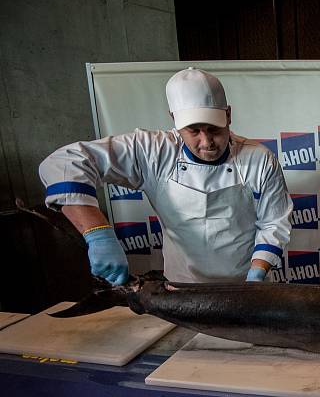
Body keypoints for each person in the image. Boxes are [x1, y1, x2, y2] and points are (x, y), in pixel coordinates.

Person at [39, 67, 292, 285]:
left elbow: (273, 222)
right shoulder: (153, 151)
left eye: (214, 129)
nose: (207, 142)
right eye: (194, 131)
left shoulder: (259, 159)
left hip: (244, 285)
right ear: (175, 120)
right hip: (181, 288)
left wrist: (257, 273)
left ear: (228, 115)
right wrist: (98, 233)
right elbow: (64, 162)